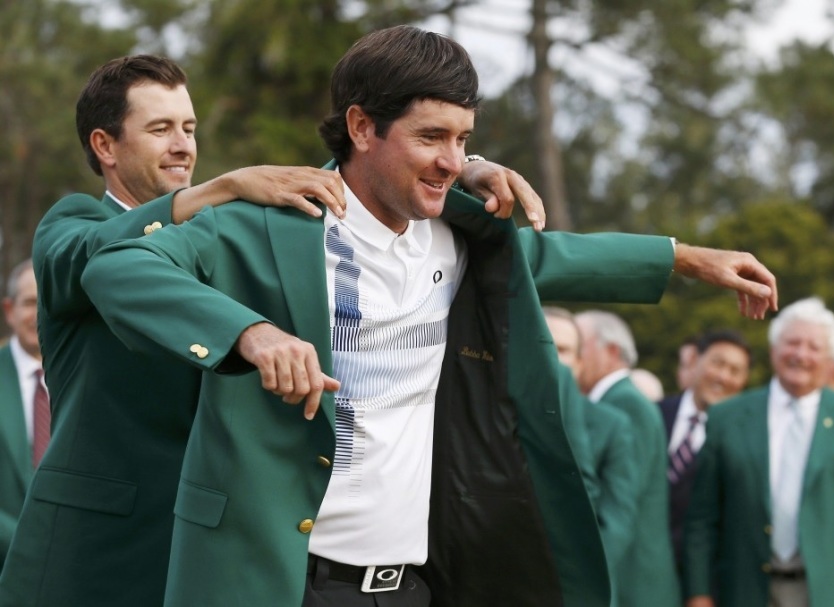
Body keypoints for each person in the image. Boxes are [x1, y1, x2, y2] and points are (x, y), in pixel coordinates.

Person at [80, 26, 776, 607]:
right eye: (431, 137)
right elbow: (115, 269)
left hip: (418, 585)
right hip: (283, 582)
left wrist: (688, 258)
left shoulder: (464, 238)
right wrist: (249, 333)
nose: (452, 161)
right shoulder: (264, 224)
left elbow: (555, 255)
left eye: (464, 139)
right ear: (361, 126)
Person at [0, 55, 538, 607]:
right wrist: (219, 189)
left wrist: (456, 164)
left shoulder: (230, 233)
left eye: (189, 128)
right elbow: (102, 261)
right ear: (105, 146)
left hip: (221, 551)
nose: (183, 145)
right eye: (160, 129)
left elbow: (355, 175)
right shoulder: (71, 226)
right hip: (103, 553)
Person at [684, 297, 834, 607]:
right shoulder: (728, 417)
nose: (800, 354)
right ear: (774, 349)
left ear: (830, 360)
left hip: (829, 590)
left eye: (813, 347)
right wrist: (699, 593)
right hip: (744, 588)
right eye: (792, 343)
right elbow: (701, 518)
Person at [574, 309, 681, 607]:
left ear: (611, 351)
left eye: (579, 345)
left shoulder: (625, 404)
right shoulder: (619, 400)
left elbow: (621, 502)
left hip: (631, 577)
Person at [543, 306, 638, 607]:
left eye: (562, 350)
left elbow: (616, 521)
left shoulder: (612, 425)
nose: (552, 360)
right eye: (542, 345)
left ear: (580, 362)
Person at [658, 329, 751, 576]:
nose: (723, 377)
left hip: (707, 578)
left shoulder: (745, 441)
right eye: (717, 364)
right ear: (694, 362)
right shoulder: (653, 415)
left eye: (735, 371)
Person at [0, 260, 48, 569]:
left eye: (48, 303)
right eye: (30, 302)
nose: (40, 314)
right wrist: (29, 547)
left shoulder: (89, 379)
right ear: (9, 309)